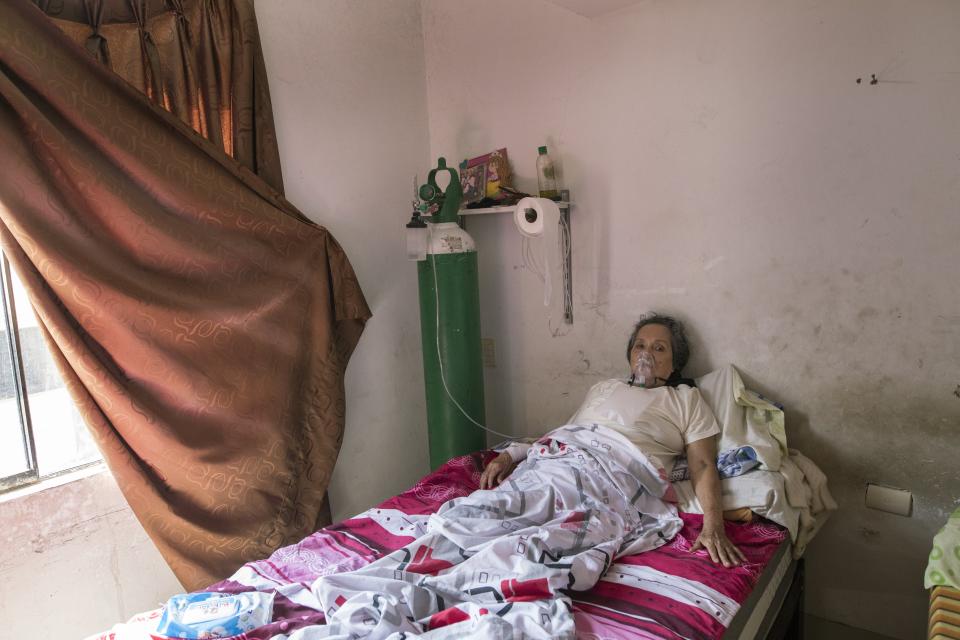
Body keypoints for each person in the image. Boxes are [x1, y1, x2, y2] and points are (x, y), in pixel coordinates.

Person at [480, 313, 746, 568]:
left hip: (615, 476)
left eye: (659, 348)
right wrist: (513, 454)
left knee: (549, 533)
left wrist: (714, 527)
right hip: (562, 462)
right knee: (487, 514)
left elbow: (702, 465)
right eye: (640, 345)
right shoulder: (605, 387)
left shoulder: (685, 399)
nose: (645, 354)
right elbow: (567, 434)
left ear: (676, 362)